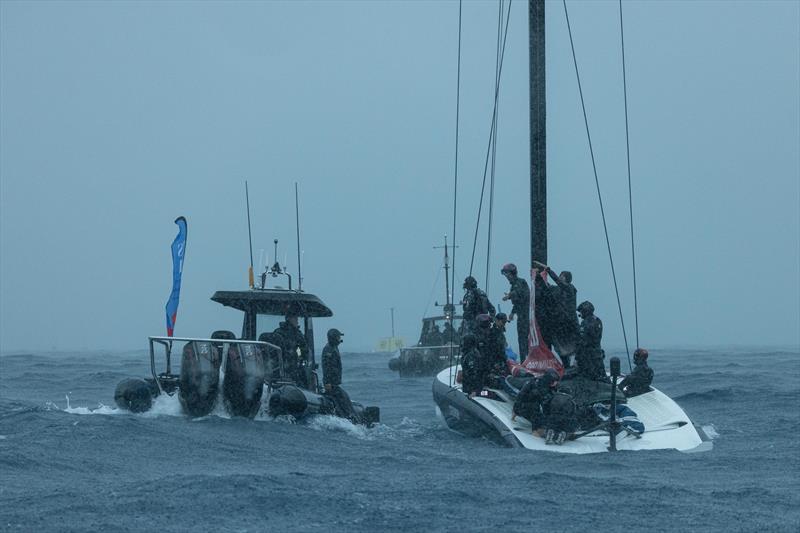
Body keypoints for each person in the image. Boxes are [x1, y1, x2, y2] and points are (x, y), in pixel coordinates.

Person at [321, 328, 360, 422]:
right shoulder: (329, 350)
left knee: (344, 398)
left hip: (334, 382)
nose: (339, 339)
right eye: (338, 337)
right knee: (342, 398)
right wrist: (327, 382)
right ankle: (350, 418)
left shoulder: (334, 348)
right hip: (331, 383)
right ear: (334, 338)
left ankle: (351, 417)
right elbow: (327, 367)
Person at [511, 369, 559, 433]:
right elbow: (520, 396)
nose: (555, 384)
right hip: (527, 407)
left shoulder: (551, 387)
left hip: (538, 406)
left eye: (556, 382)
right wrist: (515, 410)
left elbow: (548, 403)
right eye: (553, 382)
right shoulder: (534, 384)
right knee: (535, 408)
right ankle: (536, 430)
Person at [501, 263, 530, 361]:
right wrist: (512, 313)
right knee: (521, 340)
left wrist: (509, 296)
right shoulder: (514, 286)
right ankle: (524, 361)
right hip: (522, 316)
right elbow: (518, 302)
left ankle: (528, 360)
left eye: (507, 275)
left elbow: (520, 293)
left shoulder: (521, 282)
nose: (507, 277)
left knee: (525, 340)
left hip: (527, 317)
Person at [273, 312, 310, 387]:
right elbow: (301, 350)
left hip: (277, 370)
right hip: (291, 370)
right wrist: (299, 357)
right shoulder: (296, 334)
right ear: (288, 319)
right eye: (295, 318)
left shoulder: (277, 332)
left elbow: (299, 350)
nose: (297, 321)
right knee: (303, 384)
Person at [574, 301, 605, 381]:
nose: (580, 315)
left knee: (587, 378)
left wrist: (577, 357)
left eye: (581, 312)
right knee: (600, 376)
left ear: (585, 311)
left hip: (588, 357)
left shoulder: (585, 323)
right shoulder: (598, 320)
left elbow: (582, 341)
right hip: (597, 355)